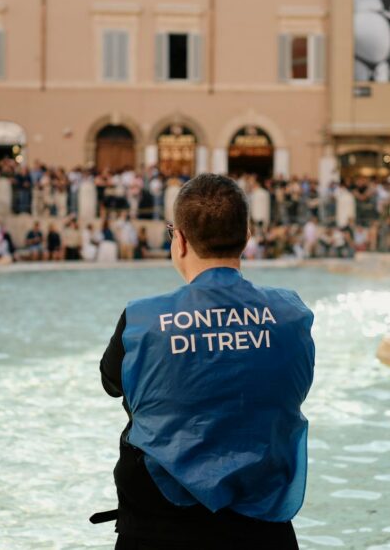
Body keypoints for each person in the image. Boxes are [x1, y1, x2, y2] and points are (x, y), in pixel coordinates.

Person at [98, 174, 316, 549]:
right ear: (247, 236)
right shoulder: (292, 314)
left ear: (178, 240)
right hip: (262, 528)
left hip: (157, 527)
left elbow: (111, 382)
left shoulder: (141, 320)